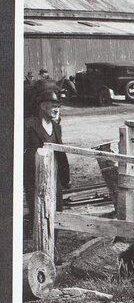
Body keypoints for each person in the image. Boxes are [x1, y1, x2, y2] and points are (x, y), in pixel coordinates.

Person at [24, 83, 71, 238]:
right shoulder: (29, 125)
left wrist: (65, 178)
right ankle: (39, 250)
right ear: (43, 106)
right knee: (38, 212)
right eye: (53, 106)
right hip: (34, 178)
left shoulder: (57, 127)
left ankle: (54, 249)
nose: (57, 109)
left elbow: (61, 154)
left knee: (57, 211)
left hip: (54, 177)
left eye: (58, 106)